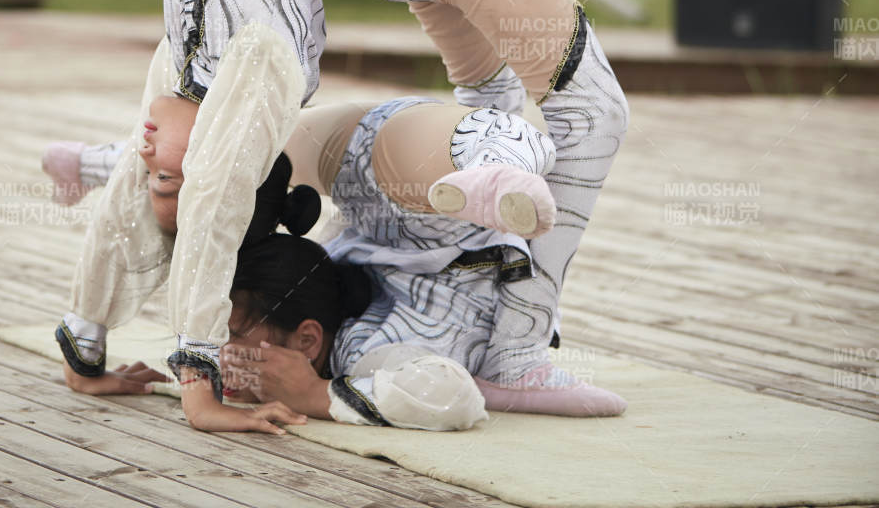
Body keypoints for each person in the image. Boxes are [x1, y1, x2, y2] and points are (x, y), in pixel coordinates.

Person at [43, 0, 628, 429]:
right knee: (565, 113)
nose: (145, 154)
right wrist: (91, 347)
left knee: (574, 114)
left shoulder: (207, 66)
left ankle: (515, 348)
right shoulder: (234, 78)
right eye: (163, 177)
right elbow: (195, 198)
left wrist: (177, 382)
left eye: (160, 178)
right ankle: (501, 221)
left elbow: (203, 200)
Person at [48, 91, 627, 430]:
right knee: (221, 165)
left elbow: (457, 396)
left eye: (229, 336)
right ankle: (101, 163)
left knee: (211, 172)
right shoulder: (346, 326)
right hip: (399, 175)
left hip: (410, 183)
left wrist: (317, 398)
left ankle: (100, 163)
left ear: (306, 340)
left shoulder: (359, 350)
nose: (219, 357)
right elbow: (455, 396)